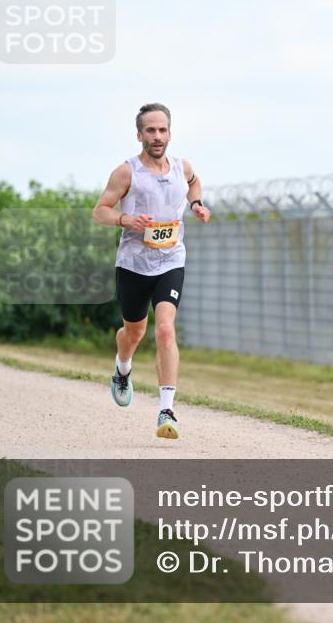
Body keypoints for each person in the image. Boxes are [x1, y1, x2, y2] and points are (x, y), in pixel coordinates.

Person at [92, 103, 210, 439]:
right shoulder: (127, 172)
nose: (157, 136)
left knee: (165, 330)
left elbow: (194, 180)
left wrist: (197, 204)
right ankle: (122, 368)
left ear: (170, 133)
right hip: (133, 264)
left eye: (162, 130)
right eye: (150, 130)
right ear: (139, 134)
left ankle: (166, 411)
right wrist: (124, 219)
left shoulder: (180, 167)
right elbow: (99, 211)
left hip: (171, 260)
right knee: (133, 333)